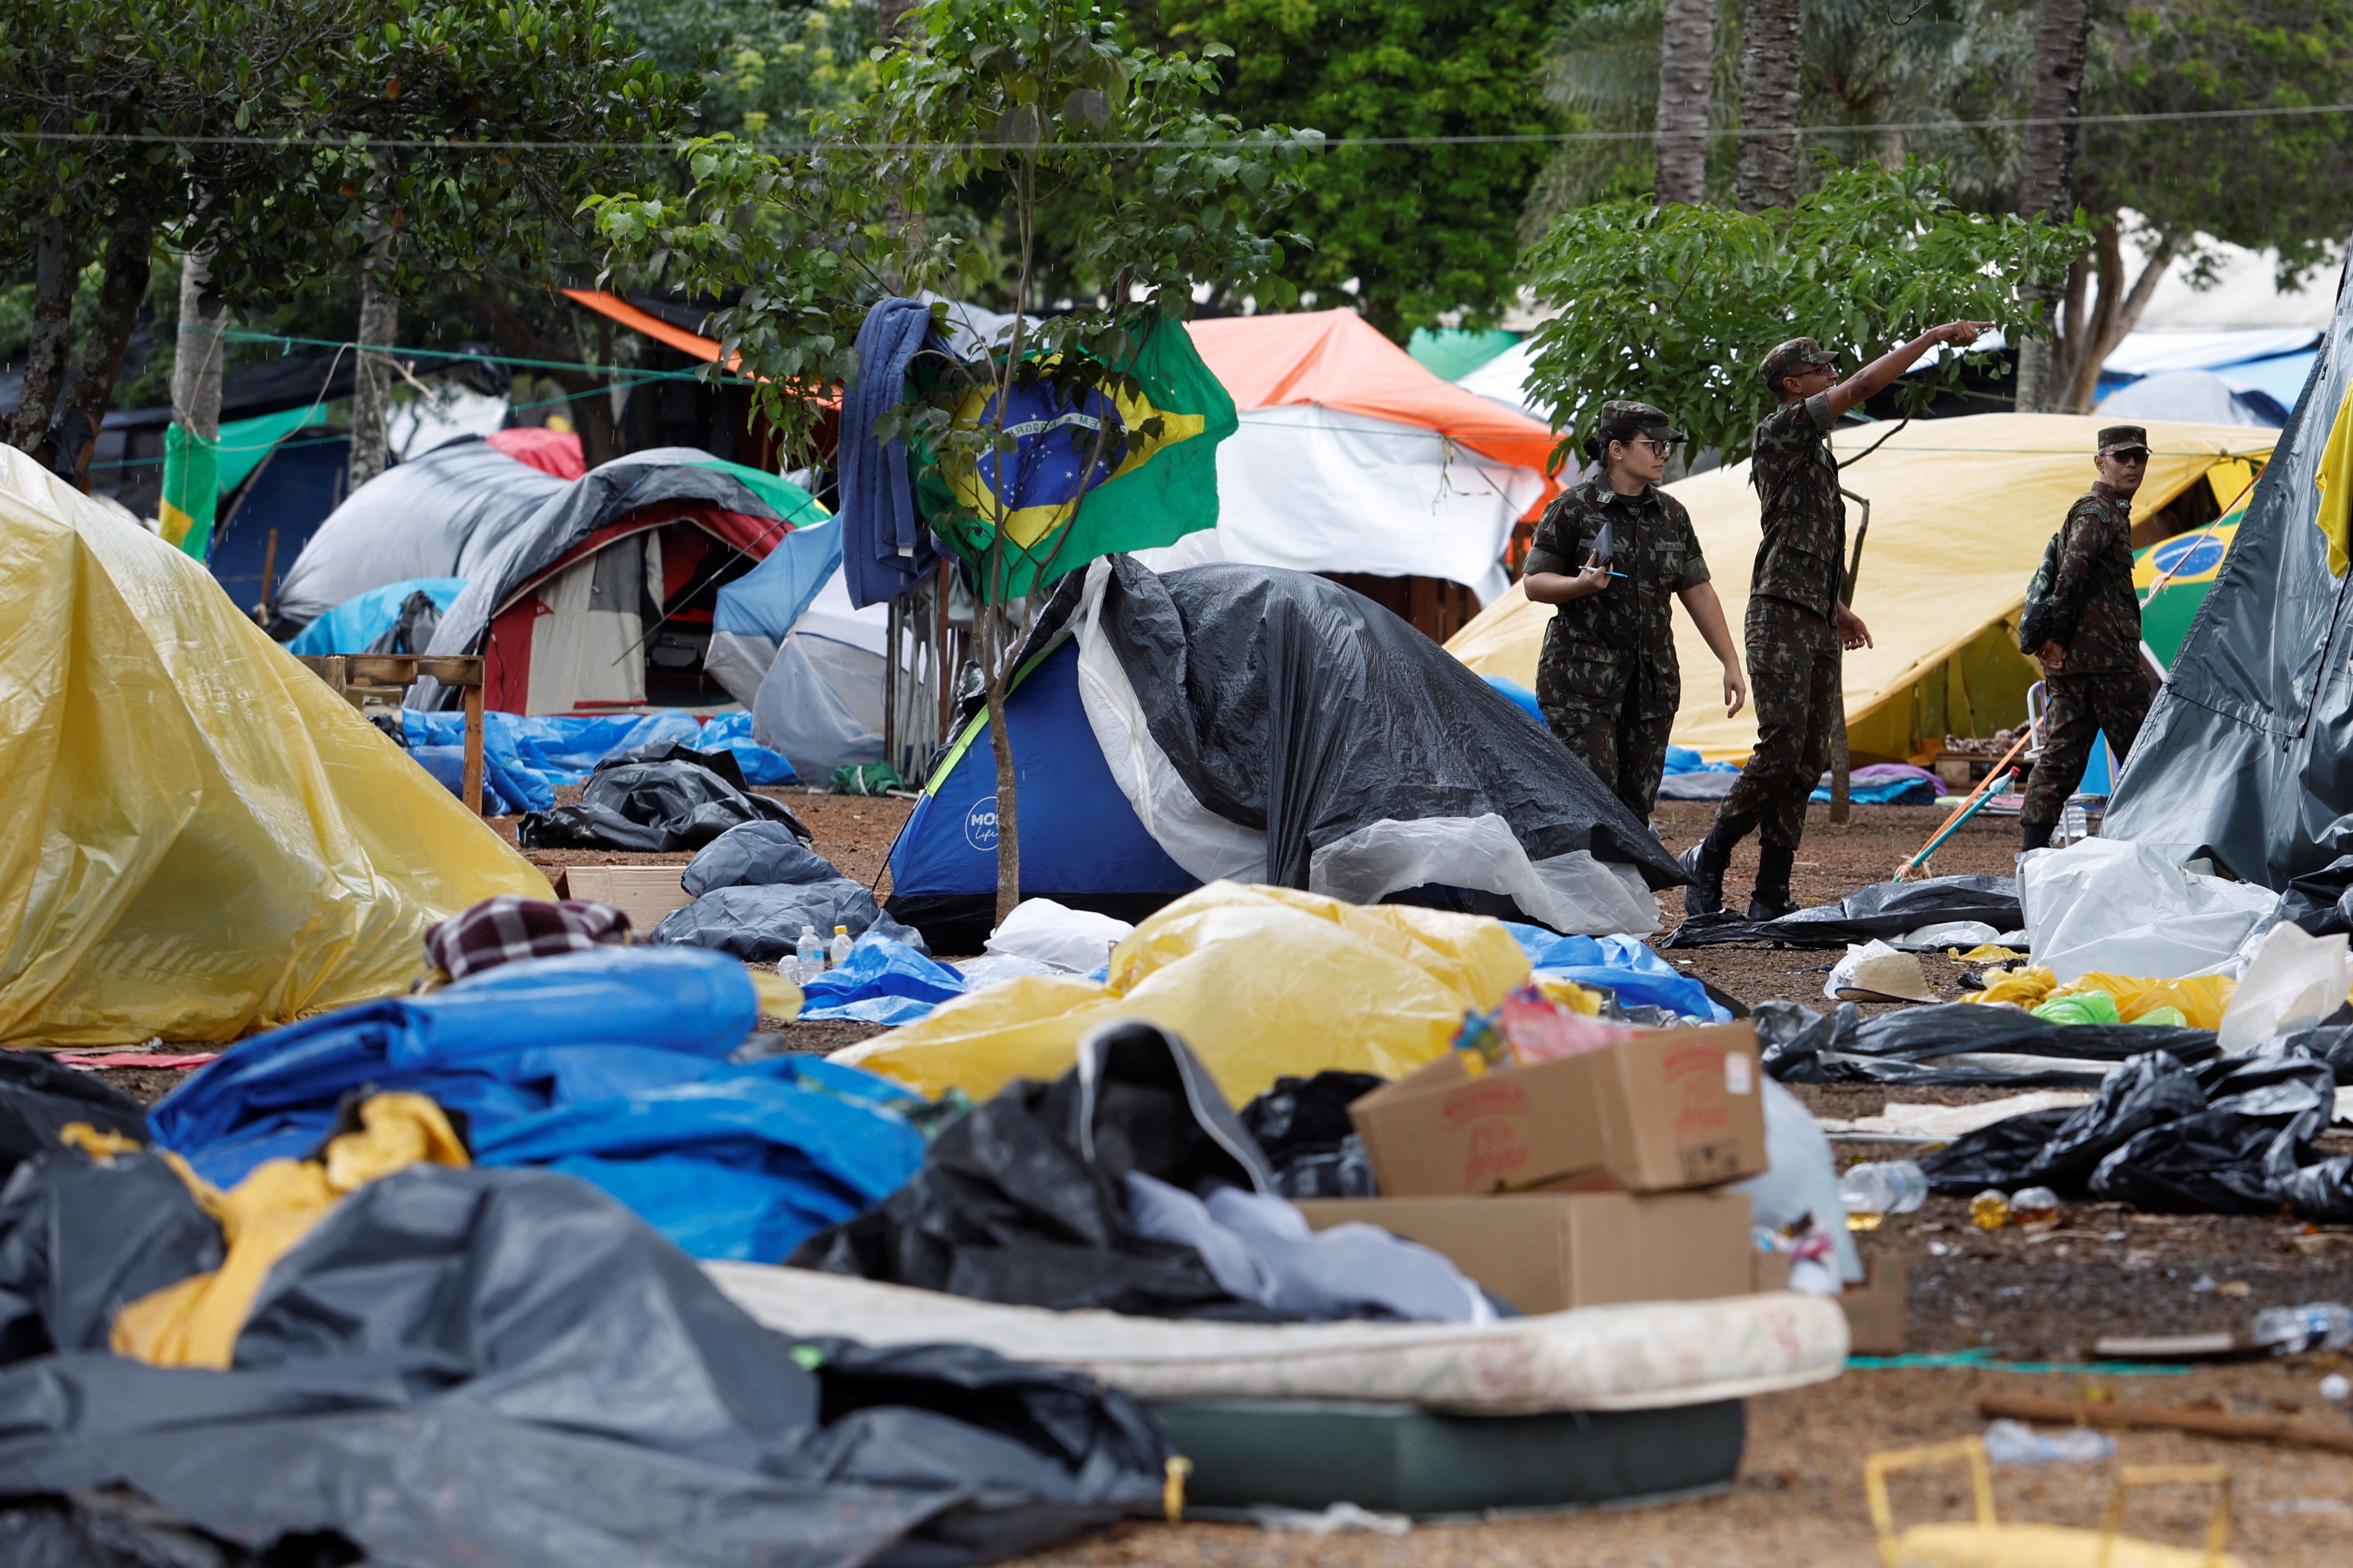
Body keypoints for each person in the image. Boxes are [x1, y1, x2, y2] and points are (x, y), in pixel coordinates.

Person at [1682, 322, 1992, 918]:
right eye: (1819, 371)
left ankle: (1771, 890)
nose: (1831, 377)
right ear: (1792, 384)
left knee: (1808, 760)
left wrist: (1837, 607)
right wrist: (1929, 339)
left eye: (1830, 369)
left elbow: (1806, 540)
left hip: (1813, 615)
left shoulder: (1814, 453)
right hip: (1777, 615)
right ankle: (1710, 858)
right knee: (1778, 751)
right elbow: (1865, 384)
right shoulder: (1783, 428)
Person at [1524, 401, 1747, 825]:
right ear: (1616, 449)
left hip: (1650, 685)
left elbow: (1697, 590)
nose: (1663, 453)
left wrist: (1730, 661)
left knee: (1635, 804)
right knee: (1591, 794)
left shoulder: (1671, 514)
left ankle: (1623, 888)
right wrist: (1580, 585)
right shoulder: (1573, 508)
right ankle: (1578, 887)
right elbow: (1534, 583)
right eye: (1653, 444)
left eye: (1666, 445)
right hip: (1581, 683)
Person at [2020, 425, 2152, 849]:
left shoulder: (2107, 511)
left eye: (2139, 457)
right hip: (2104, 666)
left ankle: (2031, 853)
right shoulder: (2097, 513)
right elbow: (2071, 574)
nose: (2131, 464)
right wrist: (2055, 637)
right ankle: (2154, 848)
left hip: (2085, 666)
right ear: (2100, 462)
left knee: (2060, 759)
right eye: (2121, 457)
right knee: (2143, 759)